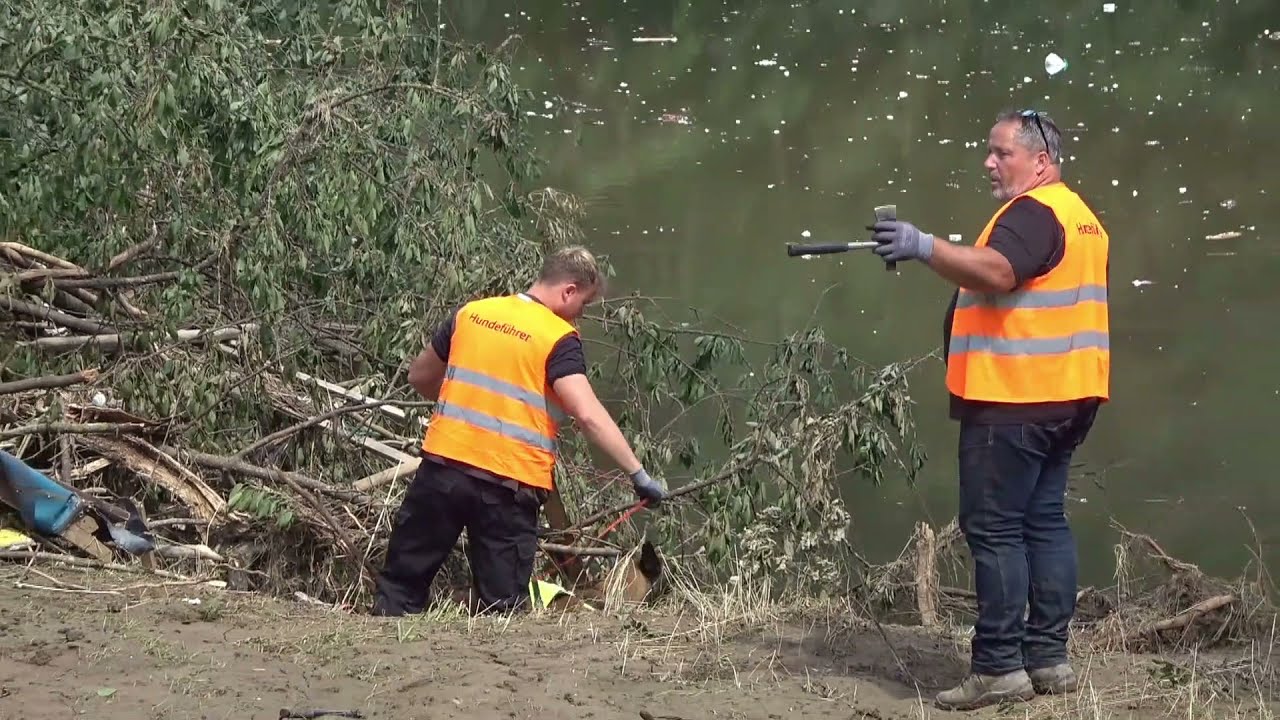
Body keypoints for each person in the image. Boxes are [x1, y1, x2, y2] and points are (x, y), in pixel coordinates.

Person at [866, 109, 1109, 711]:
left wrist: (924, 246)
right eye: (990, 151)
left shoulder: (1033, 212)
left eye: (1002, 153)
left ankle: (1000, 666)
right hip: (1068, 395)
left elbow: (1000, 271)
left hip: (1015, 396)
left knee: (995, 529)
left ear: (1040, 162)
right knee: (1044, 522)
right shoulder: (1081, 218)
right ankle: (1048, 659)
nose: (990, 163)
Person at [372, 245, 668, 617]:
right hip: (508, 486)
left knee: (401, 586)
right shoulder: (557, 337)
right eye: (584, 305)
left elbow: (420, 376)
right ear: (568, 292)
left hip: (443, 469)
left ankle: (385, 661)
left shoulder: (473, 314)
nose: (581, 316)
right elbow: (588, 414)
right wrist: (638, 474)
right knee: (502, 610)